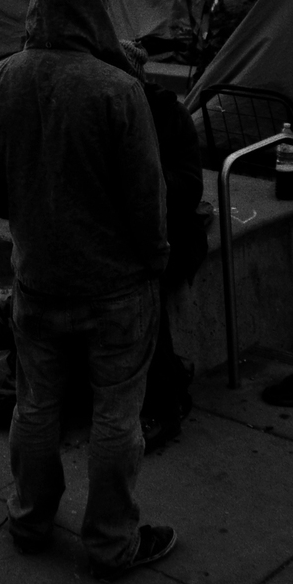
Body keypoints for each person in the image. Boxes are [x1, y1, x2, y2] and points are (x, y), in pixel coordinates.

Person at [0, 0, 175, 581]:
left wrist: (28, 208)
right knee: (115, 412)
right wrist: (156, 257)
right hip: (117, 288)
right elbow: (147, 199)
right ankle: (111, 543)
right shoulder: (119, 89)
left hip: (38, 280)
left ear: (36, 7)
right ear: (94, 8)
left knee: (36, 405)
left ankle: (29, 519)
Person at [119, 40, 206, 450]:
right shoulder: (108, 110)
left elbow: (187, 187)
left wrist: (142, 185)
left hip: (174, 234)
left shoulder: (166, 114)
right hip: (121, 233)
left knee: (142, 282)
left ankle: (163, 404)